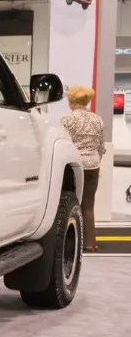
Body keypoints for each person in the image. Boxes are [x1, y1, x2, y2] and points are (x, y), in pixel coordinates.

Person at [61, 86, 106, 252]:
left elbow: (64, 143)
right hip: (93, 163)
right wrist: (97, 160)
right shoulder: (98, 119)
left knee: (69, 203)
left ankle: (70, 243)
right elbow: (100, 145)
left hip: (74, 165)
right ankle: (90, 242)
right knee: (88, 204)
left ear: (72, 102)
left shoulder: (67, 120)